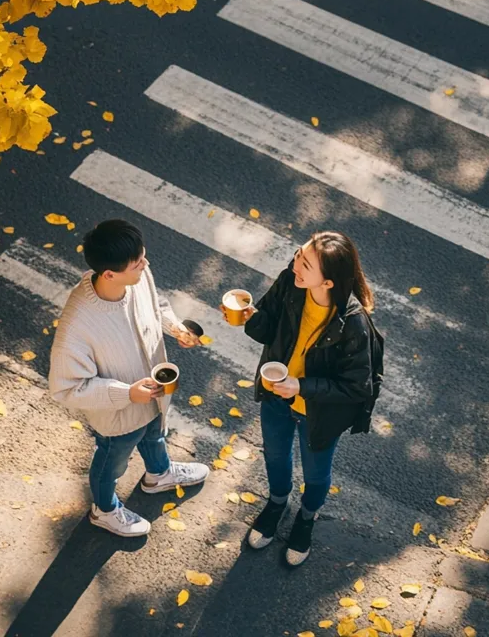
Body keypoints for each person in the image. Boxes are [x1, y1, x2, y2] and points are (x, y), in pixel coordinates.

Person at [48, 219, 210, 537]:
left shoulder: (136, 276)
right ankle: (104, 509)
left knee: (154, 433)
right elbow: (66, 388)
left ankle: (159, 474)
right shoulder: (77, 324)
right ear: (110, 274)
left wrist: (174, 326)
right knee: (111, 462)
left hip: (151, 395)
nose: (145, 264)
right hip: (118, 414)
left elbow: (156, 304)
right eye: (138, 263)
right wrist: (126, 394)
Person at [231, 231, 378, 566]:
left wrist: (302, 387)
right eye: (299, 255)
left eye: (305, 263)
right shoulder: (290, 283)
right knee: (276, 458)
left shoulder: (353, 323)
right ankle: (277, 502)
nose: (296, 264)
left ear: (327, 282)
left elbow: (358, 387)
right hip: (275, 398)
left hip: (318, 414)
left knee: (315, 474)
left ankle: (306, 517)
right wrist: (251, 318)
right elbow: (269, 329)